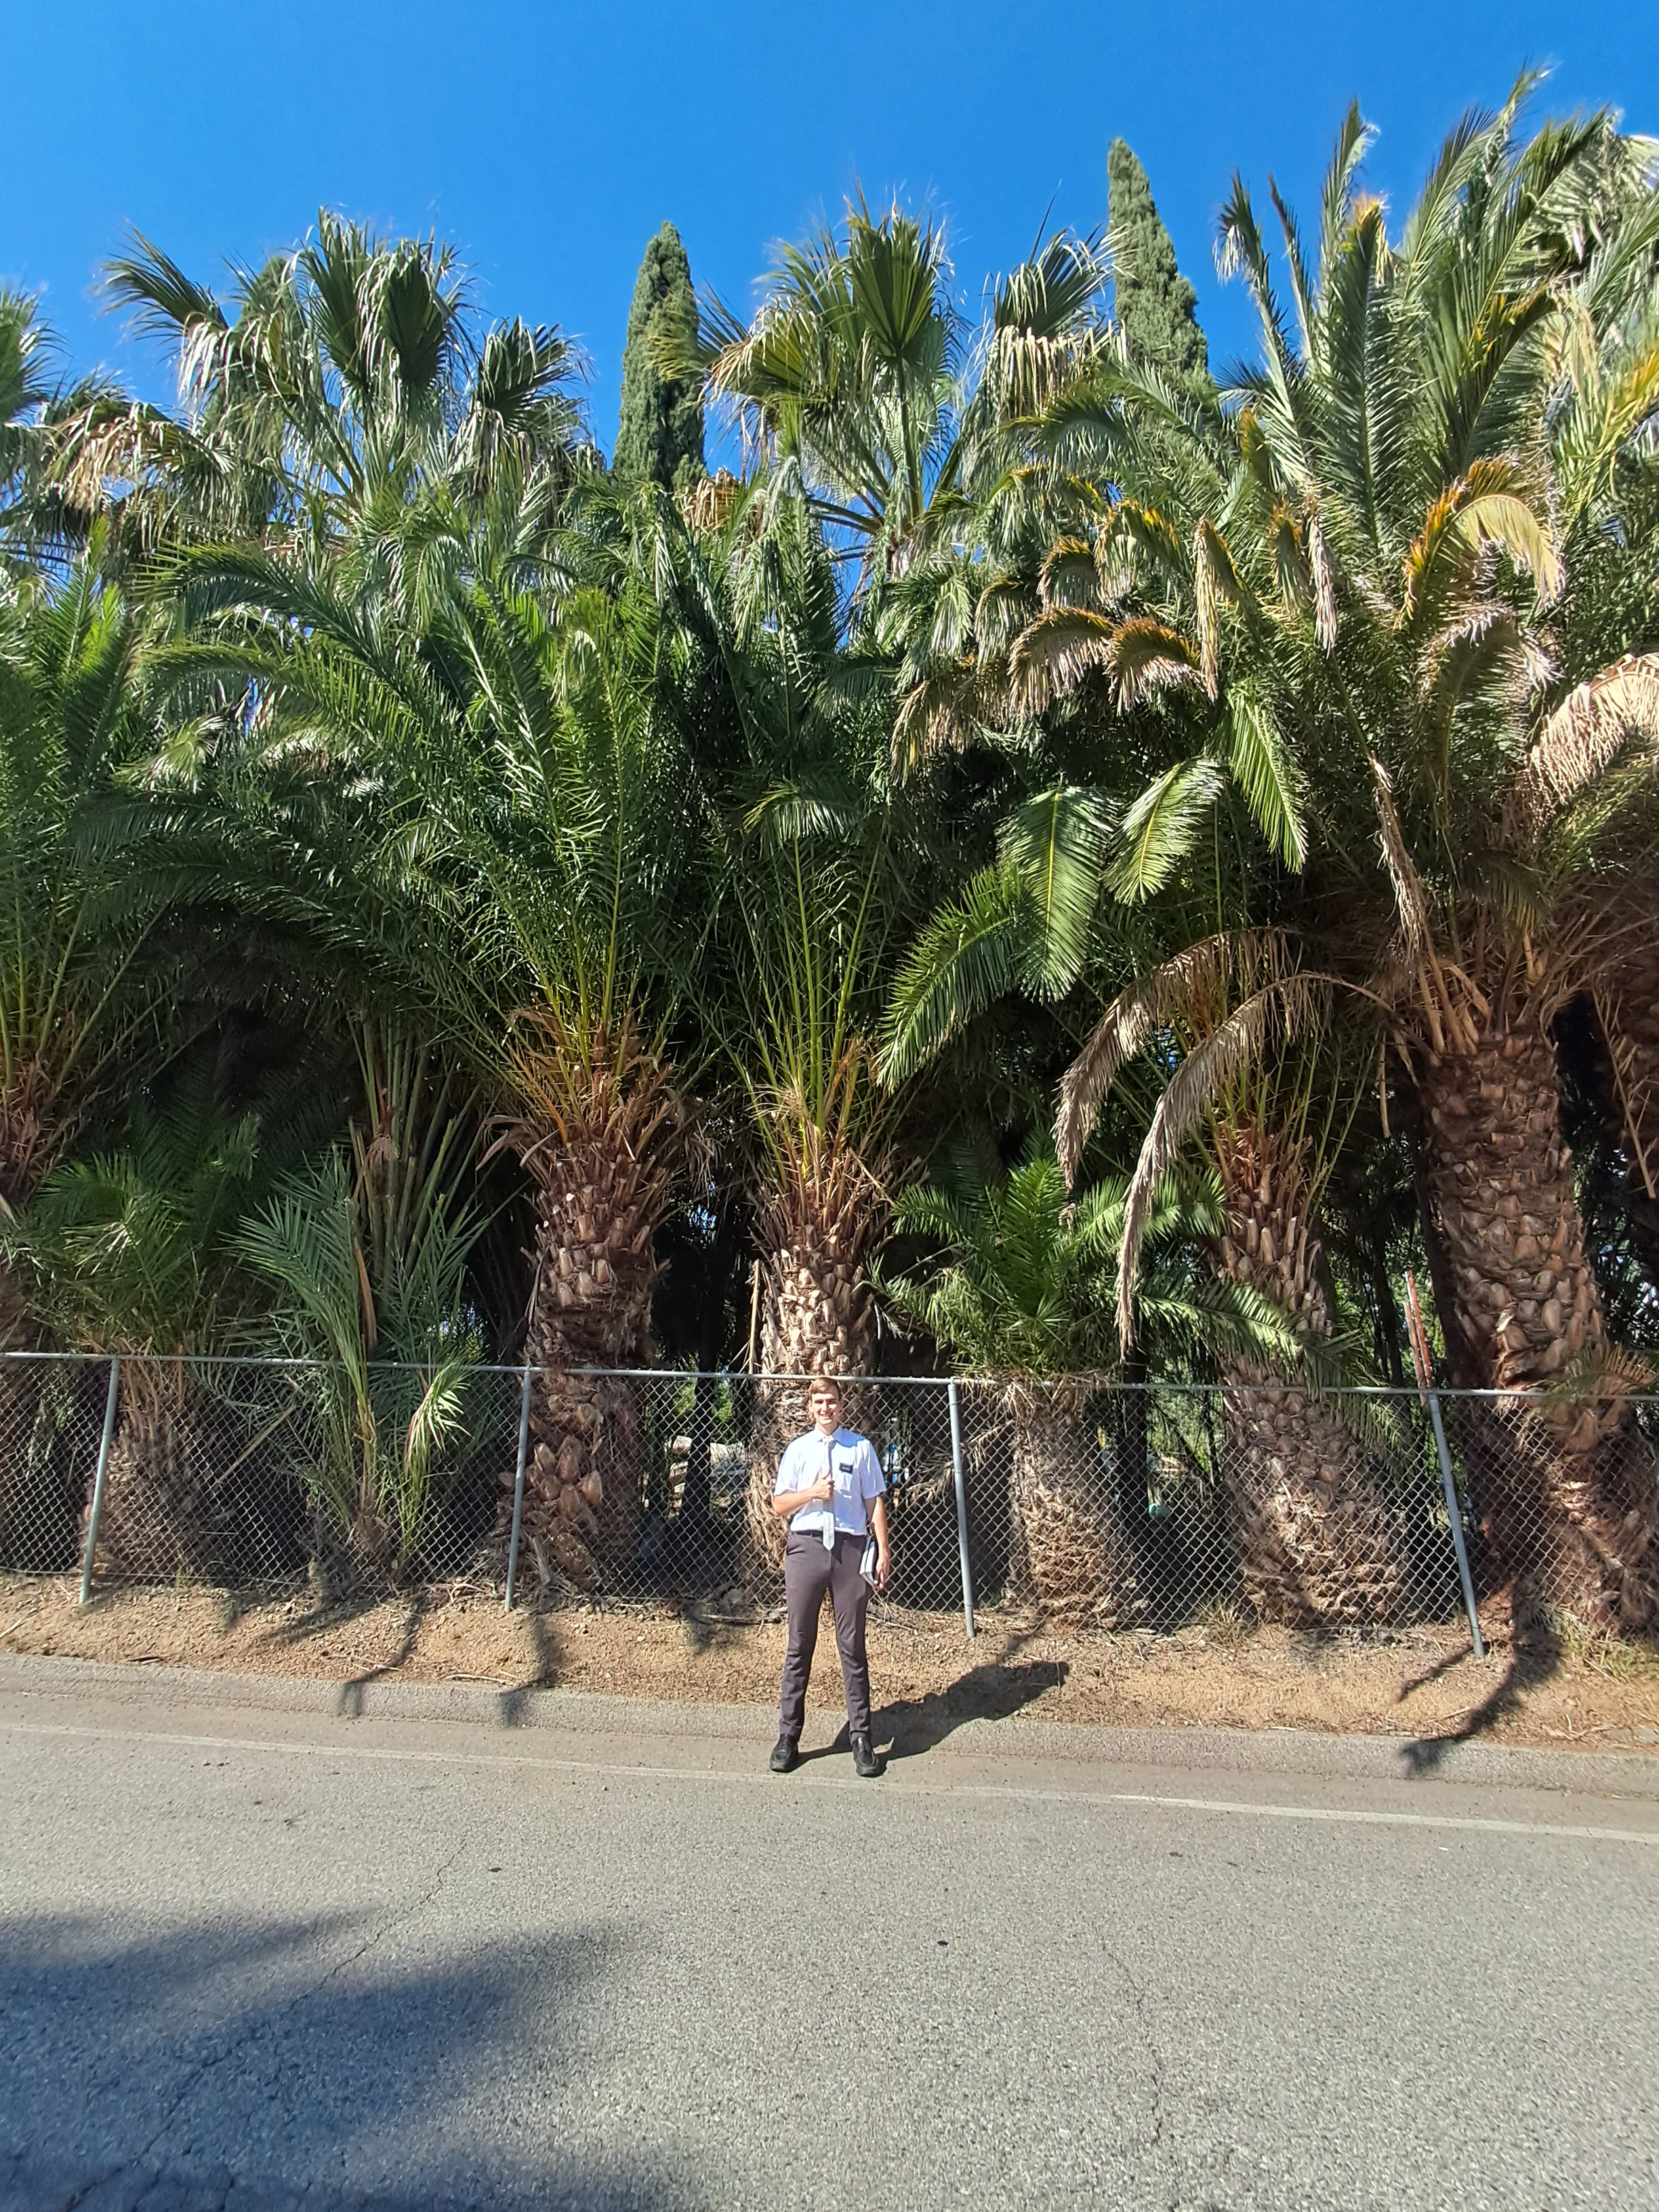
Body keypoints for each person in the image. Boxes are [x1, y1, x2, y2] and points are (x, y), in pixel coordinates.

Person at [769, 1374, 890, 1778]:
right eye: (818, 1402)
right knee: (799, 1643)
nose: (825, 1408)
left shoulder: (860, 1448)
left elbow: (873, 1499)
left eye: (831, 1401)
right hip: (806, 1549)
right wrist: (813, 1494)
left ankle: (861, 1737)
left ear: (841, 1405)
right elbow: (779, 1504)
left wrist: (883, 1547)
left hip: (850, 1550)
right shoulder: (798, 1451)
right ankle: (789, 1736)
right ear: (809, 1408)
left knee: (852, 1644)